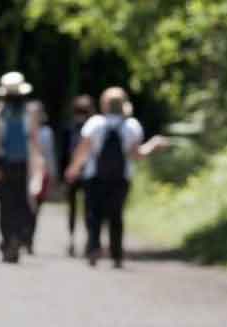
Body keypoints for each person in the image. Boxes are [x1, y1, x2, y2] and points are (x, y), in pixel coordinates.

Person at [66, 87, 168, 268]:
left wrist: (73, 169)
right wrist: (153, 144)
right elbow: (137, 154)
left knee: (93, 214)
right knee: (116, 215)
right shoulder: (132, 125)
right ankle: (116, 254)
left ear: (104, 104)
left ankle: (93, 248)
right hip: (121, 177)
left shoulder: (95, 123)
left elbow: (83, 150)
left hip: (94, 176)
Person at [0, 72, 42, 263]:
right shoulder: (31, 112)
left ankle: (8, 238)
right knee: (21, 203)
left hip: (5, 163)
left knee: (6, 204)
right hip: (23, 163)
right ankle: (16, 238)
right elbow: (34, 141)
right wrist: (37, 167)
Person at [59, 95, 95, 257]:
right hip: (88, 173)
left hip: (74, 172)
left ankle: (73, 239)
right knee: (89, 209)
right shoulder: (93, 127)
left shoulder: (70, 127)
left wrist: (63, 174)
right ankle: (87, 241)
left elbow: (63, 153)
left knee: (73, 209)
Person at [26, 100, 56, 254]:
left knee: (35, 209)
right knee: (24, 208)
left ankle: (29, 239)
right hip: (24, 173)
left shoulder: (46, 132)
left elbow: (49, 156)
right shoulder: (22, 130)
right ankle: (24, 237)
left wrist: (51, 174)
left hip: (40, 174)